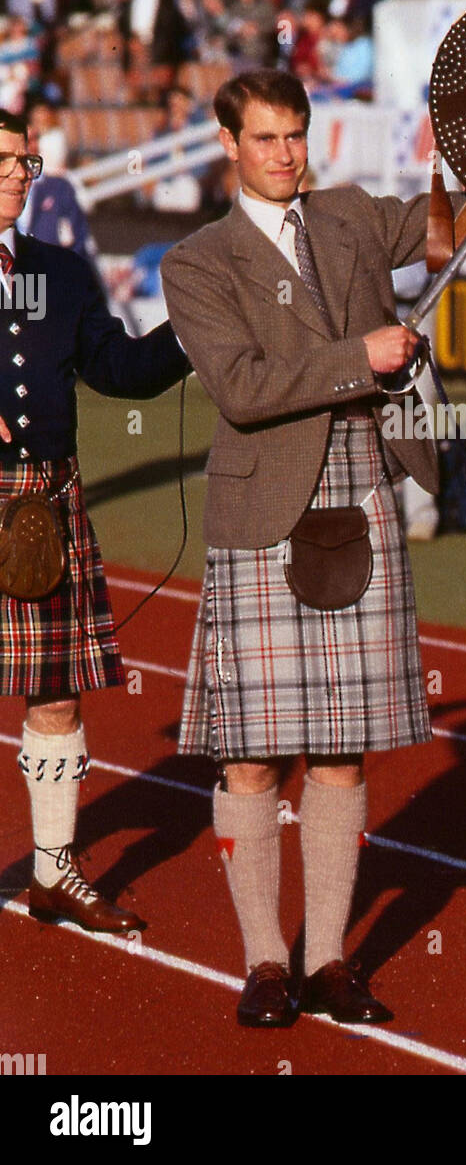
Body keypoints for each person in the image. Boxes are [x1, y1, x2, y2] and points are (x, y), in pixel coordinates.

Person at [159, 69, 466, 1028]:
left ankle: (330, 962)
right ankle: (263, 964)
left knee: (341, 752)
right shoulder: (195, 262)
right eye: (265, 139)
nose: (286, 155)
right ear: (225, 142)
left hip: (363, 489)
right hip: (262, 513)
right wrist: (359, 358)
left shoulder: (348, 216)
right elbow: (245, 390)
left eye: (295, 135)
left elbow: (451, 230)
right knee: (251, 758)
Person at [0, 107, 189, 935]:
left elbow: (121, 369)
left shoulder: (62, 271)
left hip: (42, 498)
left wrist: (192, 333)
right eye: (4, 160)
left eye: (25, 164)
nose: (18, 174)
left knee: (54, 692)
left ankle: (52, 871)